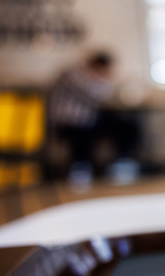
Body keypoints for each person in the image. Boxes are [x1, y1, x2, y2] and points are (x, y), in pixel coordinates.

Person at [48, 51, 141, 189]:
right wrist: (106, 79)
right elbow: (98, 95)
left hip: (89, 119)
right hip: (68, 122)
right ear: (96, 65)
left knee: (127, 125)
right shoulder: (73, 74)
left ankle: (122, 163)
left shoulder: (92, 77)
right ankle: (80, 171)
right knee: (83, 131)